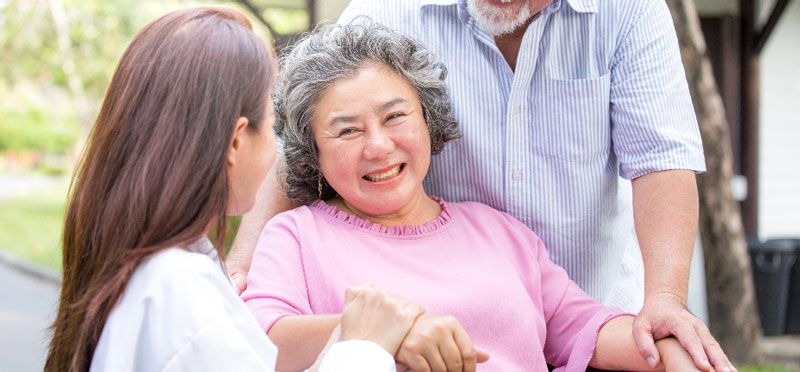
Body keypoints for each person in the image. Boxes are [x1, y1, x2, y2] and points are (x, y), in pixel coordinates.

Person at [228, 1, 735, 371]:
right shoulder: (296, 238)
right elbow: (256, 338)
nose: (378, 146)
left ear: (430, 123)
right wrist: (376, 336)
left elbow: (586, 327)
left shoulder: (503, 235)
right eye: (347, 130)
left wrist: (670, 337)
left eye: (396, 117)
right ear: (311, 150)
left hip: (599, 281)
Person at [44, 7, 427, 372]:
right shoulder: (183, 297)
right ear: (237, 142)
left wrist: (344, 339)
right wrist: (364, 346)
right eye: (274, 126)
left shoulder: (156, 273)